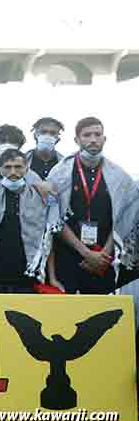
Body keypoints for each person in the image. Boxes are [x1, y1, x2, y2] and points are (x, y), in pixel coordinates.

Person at [45, 117, 137, 294]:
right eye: (87, 135)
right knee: (66, 314)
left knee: (100, 315)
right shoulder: (60, 173)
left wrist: (102, 255)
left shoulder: (119, 176)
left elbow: (123, 219)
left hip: (104, 258)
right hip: (68, 254)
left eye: (97, 134)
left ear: (104, 139)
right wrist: (86, 253)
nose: (93, 139)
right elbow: (54, 218)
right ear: (77, 140)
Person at [0, 149, 50, 293]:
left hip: (27, 269)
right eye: (7, 167)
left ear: (26, 169)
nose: (13, 172)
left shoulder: (39, 194)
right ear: (0, 169)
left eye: (18, 167)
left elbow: (48, 235)